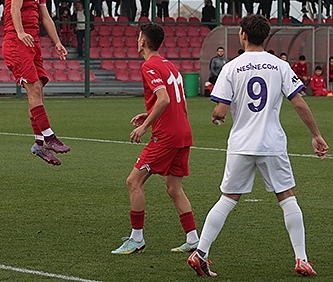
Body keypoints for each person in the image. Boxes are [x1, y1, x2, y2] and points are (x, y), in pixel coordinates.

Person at [187, 14, 328, 277]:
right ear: (266, 36)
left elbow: (220, 110)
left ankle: (201, 252)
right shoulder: (280, 66)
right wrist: (316, 135)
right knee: (287, 197)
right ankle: (301, 259)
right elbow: (298, 102)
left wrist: (217, 117)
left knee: (227, 199)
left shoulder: (231, 67)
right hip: (271, 143)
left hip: (241, 144)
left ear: (243, 35)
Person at [111, 23, 198, 255]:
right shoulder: (171, 66)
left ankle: (136, 238)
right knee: (174, 188)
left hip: (167, 135)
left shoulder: (149, 65)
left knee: (133, 181)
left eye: (139, 37)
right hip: (183, 132)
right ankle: (193, 239)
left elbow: (164, 99)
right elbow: (180, 102)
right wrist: (150, 115)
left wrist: (145, 127)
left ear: (142, 42)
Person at [2, 0, 70, 166]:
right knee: (33, 89)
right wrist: (20, 32)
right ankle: (49, 137)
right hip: (17, 41)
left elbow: (46, 17)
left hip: (32, 42)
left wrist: (57, 42)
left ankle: (39, 144)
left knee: (38, 89)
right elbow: (14, 7)